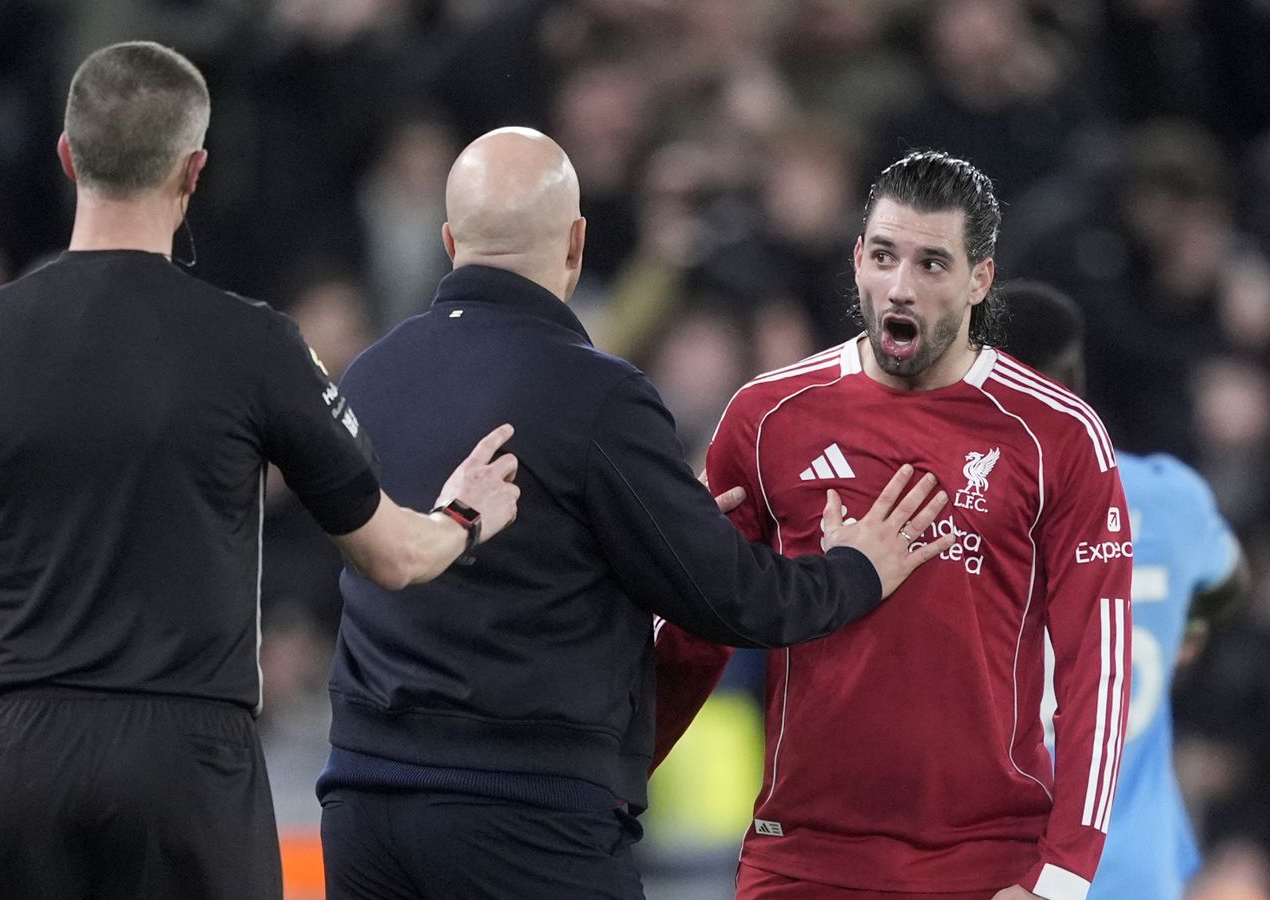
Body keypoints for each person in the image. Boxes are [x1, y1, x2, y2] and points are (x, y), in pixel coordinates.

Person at [0, 41, 519, 900]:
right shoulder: (254, 344)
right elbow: (394, 555)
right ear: (194, 171)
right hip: (190, 769)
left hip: (16, 763)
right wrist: (463, 517)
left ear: (68, 157)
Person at [318, 126, 954, 900]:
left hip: (360, 804)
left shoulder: (367, 377)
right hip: (526, 817)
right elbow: (734, 598)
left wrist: (663, 523)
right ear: (576, 242)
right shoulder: (596, 395)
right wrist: (857, 569)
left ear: (451, 241)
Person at [654, 150, 1135, 900]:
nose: (900, 287)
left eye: (932, 264)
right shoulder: (768, 417)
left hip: (986, 865)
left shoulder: (1056, 434)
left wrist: (1062, 876)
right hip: (800, 859)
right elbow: (696, 624)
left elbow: (1098, 667)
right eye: (884, 256)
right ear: (857, 260)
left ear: (980, 280)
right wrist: (612, 781)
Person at [999, 279, 1249, 900]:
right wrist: (1182, 623)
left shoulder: (943, 522)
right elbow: (1230, 586)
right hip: (1136, 871)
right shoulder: (1170, 498)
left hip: (1006, 872)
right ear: (1076, 381)